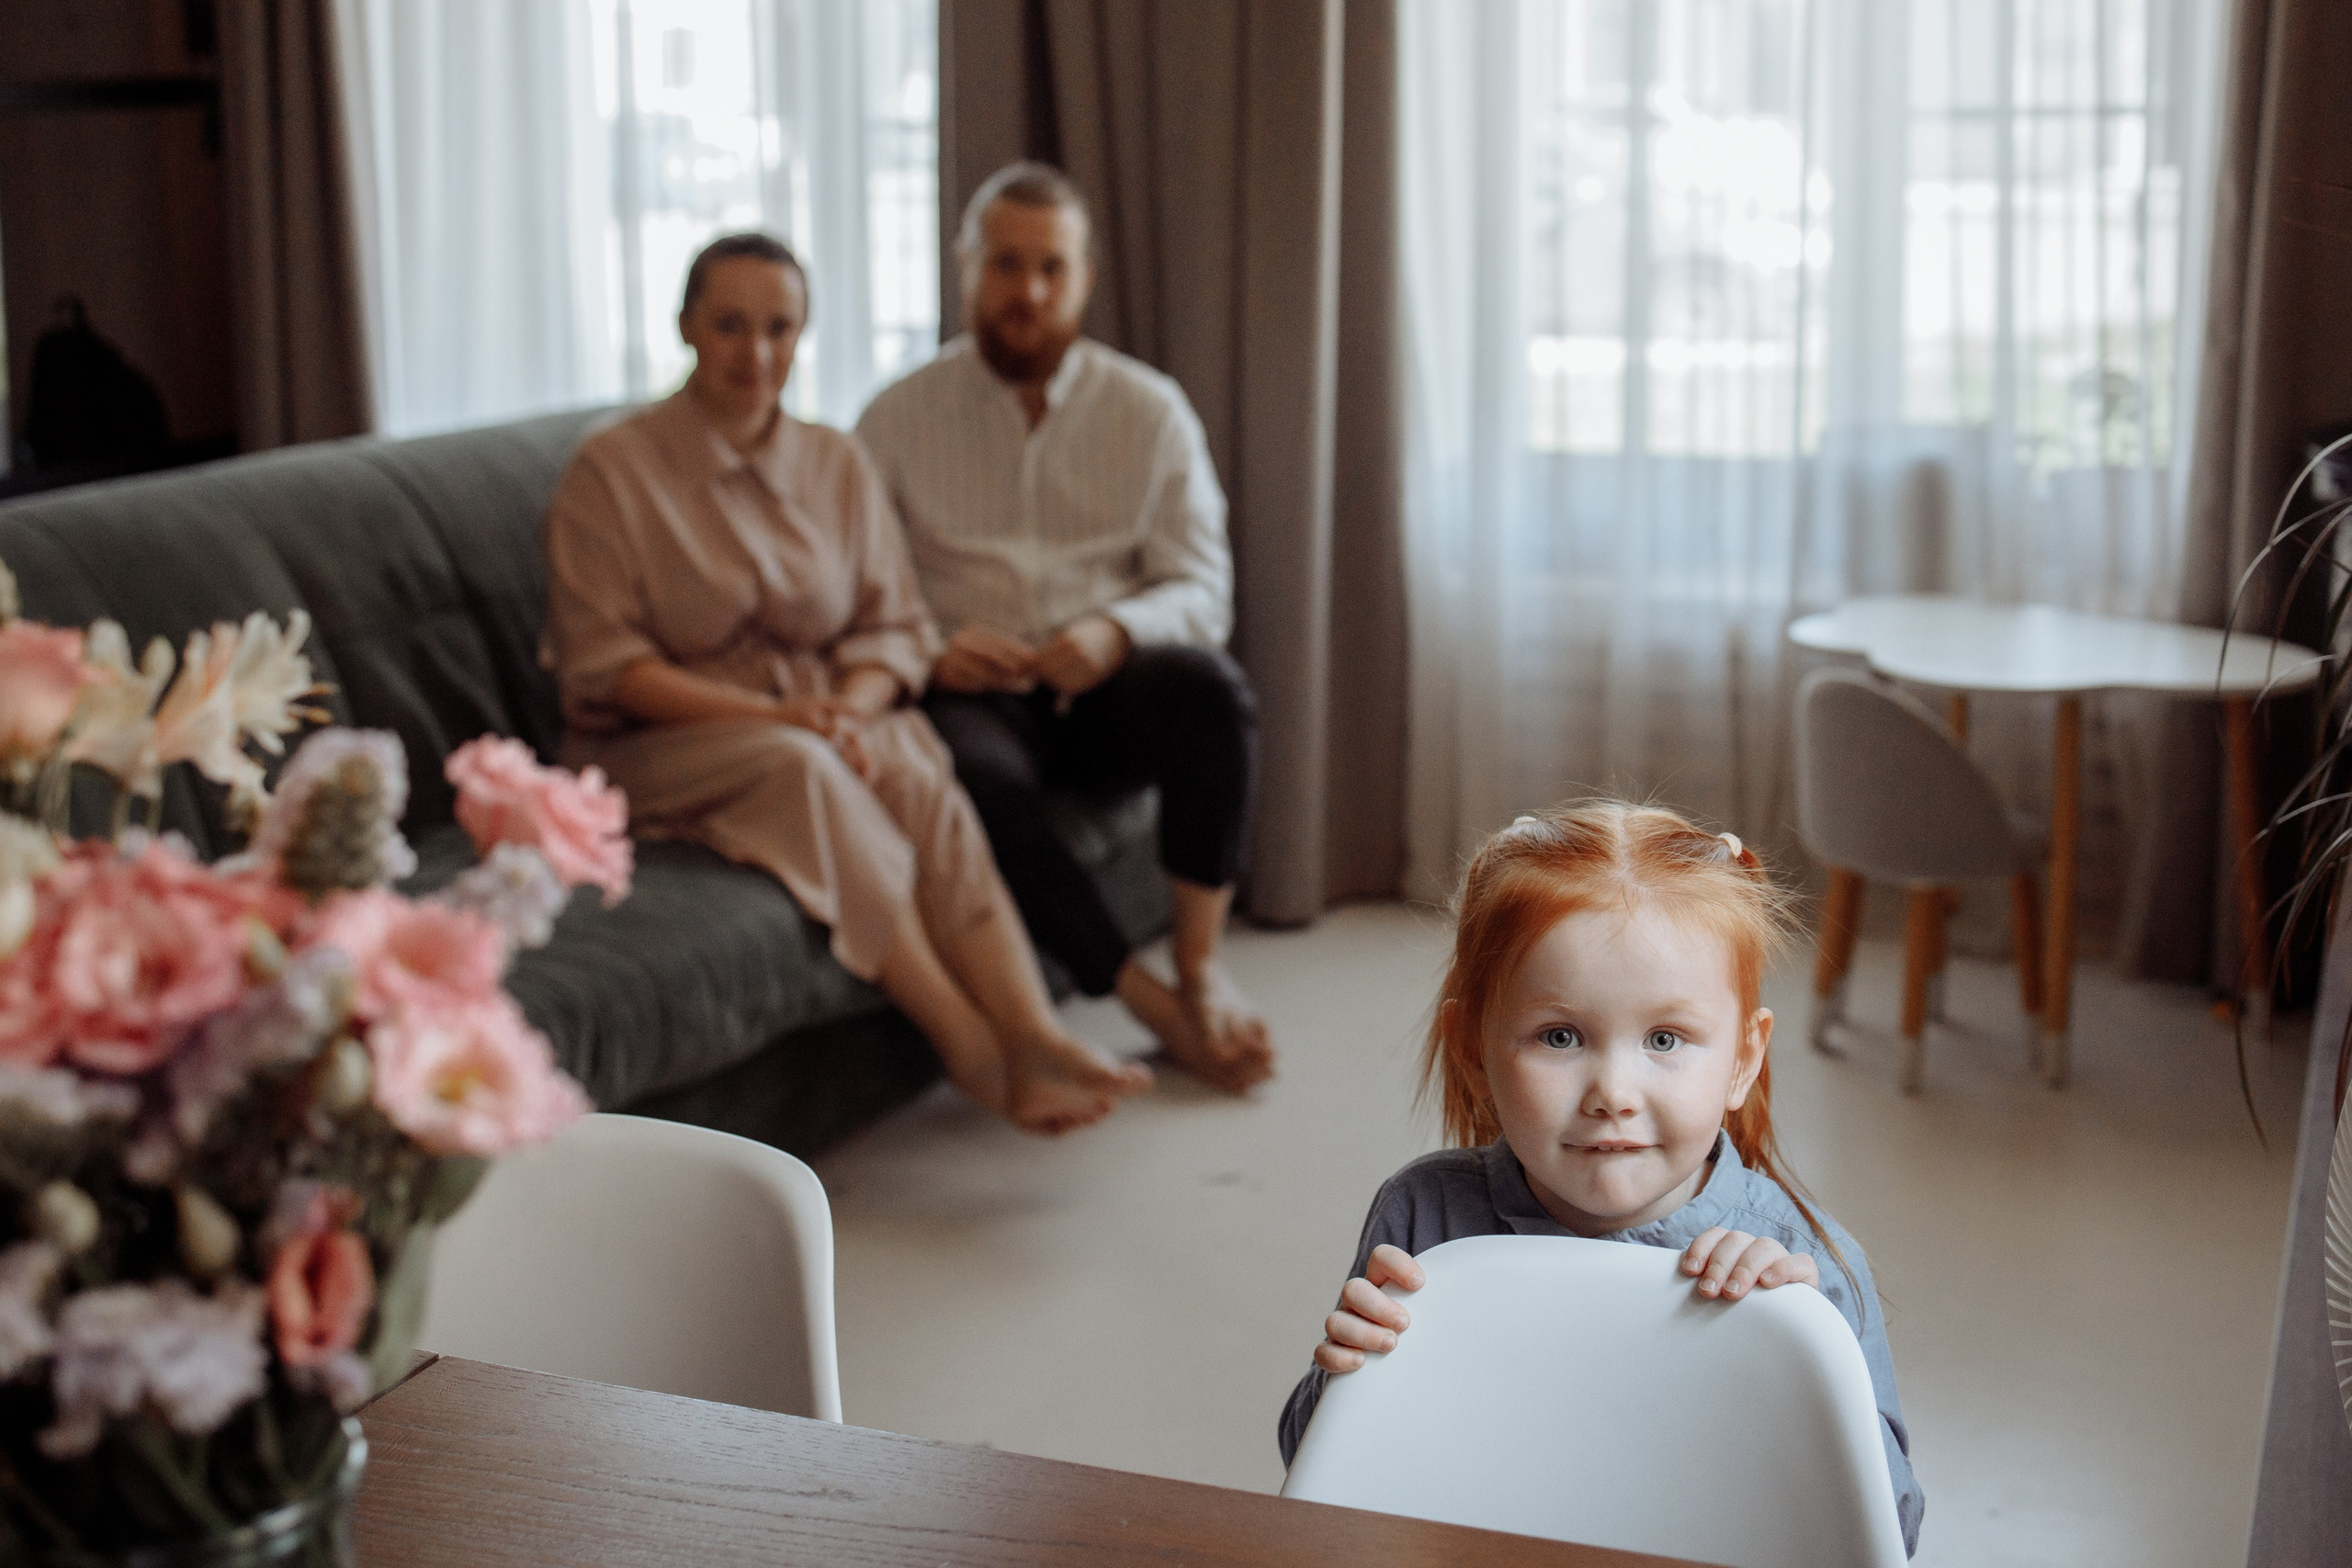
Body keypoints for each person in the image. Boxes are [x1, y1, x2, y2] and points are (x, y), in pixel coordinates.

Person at [540, 231, 1149, 1136]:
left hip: (822, 715)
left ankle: (1029, 1029)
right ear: (684, 328)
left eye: (779, 328)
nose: (757, 353)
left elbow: (895, 625)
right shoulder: (612, 470)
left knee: (911, 759)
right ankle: (967, 1044)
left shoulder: (835, 460)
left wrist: (854, 708)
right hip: (657, 740)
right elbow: (607, 667)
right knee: (805, 769)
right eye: (731, 326)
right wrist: (783, 716)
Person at [1278, 802, 1924, 1555]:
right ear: (1473, 1051)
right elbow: (1317, 1475)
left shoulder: (1800, 1265)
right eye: (1561, 1035)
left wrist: (1806, 1355)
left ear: (1744, 1058)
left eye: (1665, 1038)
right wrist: (1349, 1374)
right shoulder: (1424, 1217)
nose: (1613, 1090)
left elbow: (1888, 1531)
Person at [855, 161, 1273, 1095]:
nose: (1028, 292)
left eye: (1051, 268)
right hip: (968, 689)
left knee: (1214, 695)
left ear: (1084, 278)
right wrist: (930, 648)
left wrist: (1116, 633)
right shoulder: (892, 420)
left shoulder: (1148, 410)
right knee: (977, 783)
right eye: (1005, 265)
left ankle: (1202, 969)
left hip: (1099, 684)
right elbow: (851, 594)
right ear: (965, 268)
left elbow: (1204, 586)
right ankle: (1146, 1002)